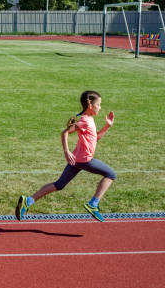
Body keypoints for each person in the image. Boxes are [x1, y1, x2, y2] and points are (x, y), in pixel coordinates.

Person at [15, 90, 116, 222]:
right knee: (111, 175)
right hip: (84, 160)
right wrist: (66, 151)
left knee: (59, 184)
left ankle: (27, 201)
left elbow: (95, 138)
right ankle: (93, 204)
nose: (100, 107)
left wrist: (107, 126)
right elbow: (65, 132)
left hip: (76, 159)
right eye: (99, 104)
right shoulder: (85, 120)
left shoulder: (89, 119)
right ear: (90, 105)